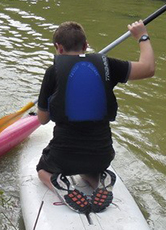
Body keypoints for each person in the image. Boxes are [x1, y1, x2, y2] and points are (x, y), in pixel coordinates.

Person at [36, 20, 155, 214]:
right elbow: (148, 68)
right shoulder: (108, 65)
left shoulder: (52, 72)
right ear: (85, 45)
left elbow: (43, 119)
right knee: (88, 166)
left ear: (58, 48)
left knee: (43, 170)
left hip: (63, 157)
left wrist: (50, 98)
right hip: (102, 156)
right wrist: (142, 35)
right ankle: (100, 179)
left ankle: (59, 183)